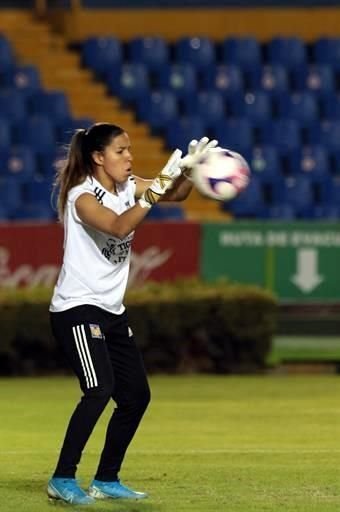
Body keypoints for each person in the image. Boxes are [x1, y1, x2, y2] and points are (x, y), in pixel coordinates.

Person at [47, 122, 217, 505]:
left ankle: (106, 479)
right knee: (98, 389)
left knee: (136, 396)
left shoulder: (127, 185)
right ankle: (62, 477)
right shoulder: (81, 197)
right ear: (98, 157)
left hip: (110, 310)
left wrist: (190, 169)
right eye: (121, 151)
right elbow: (120, 227)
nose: (129, 157)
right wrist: (157, 187)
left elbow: (175, 194)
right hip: (77, 308)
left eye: (129, 150)